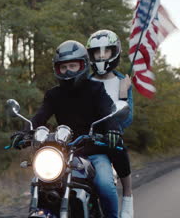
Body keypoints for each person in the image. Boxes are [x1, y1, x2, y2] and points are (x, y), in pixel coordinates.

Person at [10, 40, 121, 218]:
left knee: (105, 185)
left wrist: (113, 130)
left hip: (94, 151)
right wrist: (25, 133)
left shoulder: (96, 89)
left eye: (73, 65)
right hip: (64, 153)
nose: (68, 71)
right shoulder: (54, 94)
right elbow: (39, 117)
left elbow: (108, 111)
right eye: (63, 67)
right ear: (57, 69)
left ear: (83, 65)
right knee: (38, 182)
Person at [86, 29, 134, 218]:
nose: (101, 56)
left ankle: (128, 195)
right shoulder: (86, 81)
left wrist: (123, 94)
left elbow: (127, 119)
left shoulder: (123, 81)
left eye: (106, 51)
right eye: (97, 52)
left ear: (114, 53)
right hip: (86, 139)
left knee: (105, 183)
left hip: (111, 140)